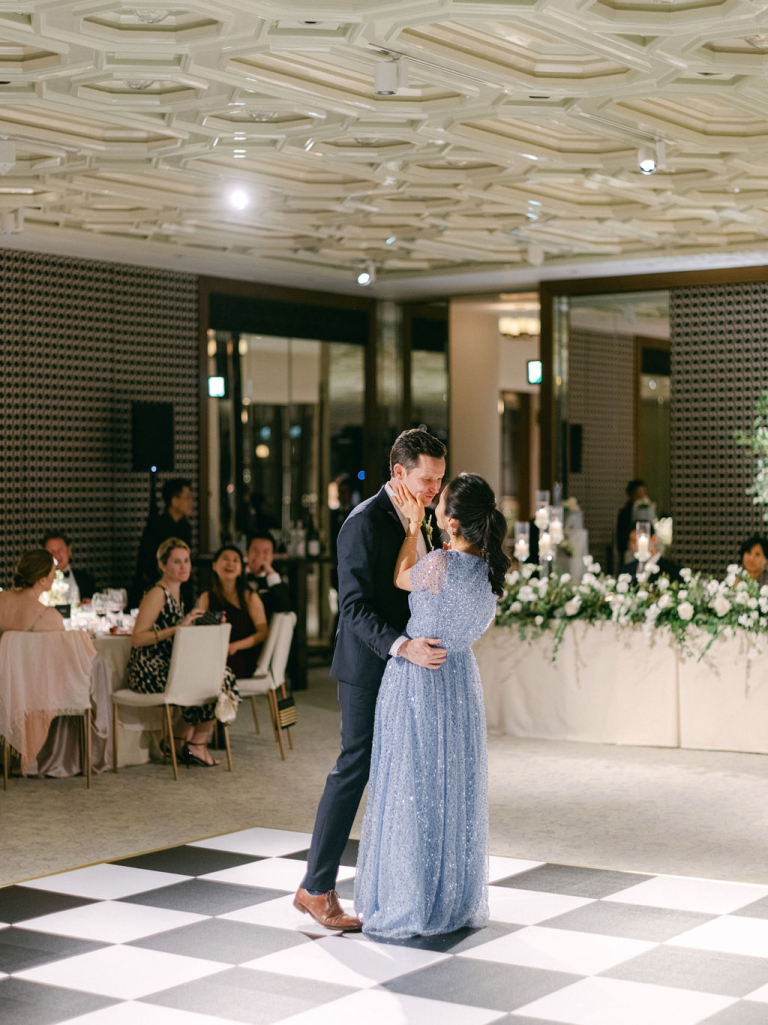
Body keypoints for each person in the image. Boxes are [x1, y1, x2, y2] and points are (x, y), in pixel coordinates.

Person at [294, 427, 447, 931]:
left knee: (401, 773)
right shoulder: (361, 522)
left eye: (439, 480)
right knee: (354, 768)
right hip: (368, 667)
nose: (434, 489)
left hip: (409, 667)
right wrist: (403, 645)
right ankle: (315, 887)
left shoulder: (422, 520)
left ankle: (398, 889)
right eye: (427, 480)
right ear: (399, 472)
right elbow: (354, 609)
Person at [355, 473, 508, 938]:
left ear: (452, 521)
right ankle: (450, 897)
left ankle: (408, 898)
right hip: (460, 680)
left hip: (420, 676)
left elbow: (402, 577)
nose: (433, 501)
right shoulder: (487, 573)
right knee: (451, 789)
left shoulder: (439, 563)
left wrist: (410, 530)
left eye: (440, 500)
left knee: (411, 785)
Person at [126, 538, 237, 767]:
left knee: (218, 675)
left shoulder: (179, 595)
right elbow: (137, 638)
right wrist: (179, 627)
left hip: (168, 667)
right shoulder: (157, 593)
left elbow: (179, 634)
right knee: (220, 677)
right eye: (176, 562)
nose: (184, 566)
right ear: (162, 565)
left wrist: (202, 623)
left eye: (186, 561)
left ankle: (179, 740)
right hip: (148, 670)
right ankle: (194, 743)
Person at [198, 545, 268, 678]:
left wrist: (234, 646)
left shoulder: (249, 597)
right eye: (225, 559)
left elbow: (263, 633)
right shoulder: (206, 598)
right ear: (214, 566)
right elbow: (203, 631)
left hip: (242, 657)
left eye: (236, 560)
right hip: (215, 654)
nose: (230, 563)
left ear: (241, 569)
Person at [131, 478, 195, 608]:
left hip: (182, 585)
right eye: (187, 498)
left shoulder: (185, 526)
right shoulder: (156, 526)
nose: (191, 502)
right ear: (175, 501)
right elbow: (146, 561)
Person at [0, 550, 65, 636]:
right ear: (42, 580)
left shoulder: (2, 599)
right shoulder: (48, 617)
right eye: (53, 572)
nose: (55, 576)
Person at [245, 533, 291, 621]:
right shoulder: (237, 575)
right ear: (247, 553)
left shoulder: (276, 579)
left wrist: (270, 571)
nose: (260, 556)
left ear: (272, 556)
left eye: (266, 551)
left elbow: (283, 607)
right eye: (255, 550)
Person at [42, 530, 96, 604]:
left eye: (60, 550)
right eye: (52, 552)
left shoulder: (86, 579)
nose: (57, 555)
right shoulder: (39, 582)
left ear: (69, 550)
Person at [617, 480, 657, 565]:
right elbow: (621, 536)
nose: (641, 497)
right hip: (630, 551)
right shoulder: (625, 512)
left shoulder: (649, 508)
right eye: (638, 494)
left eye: (643, 493)